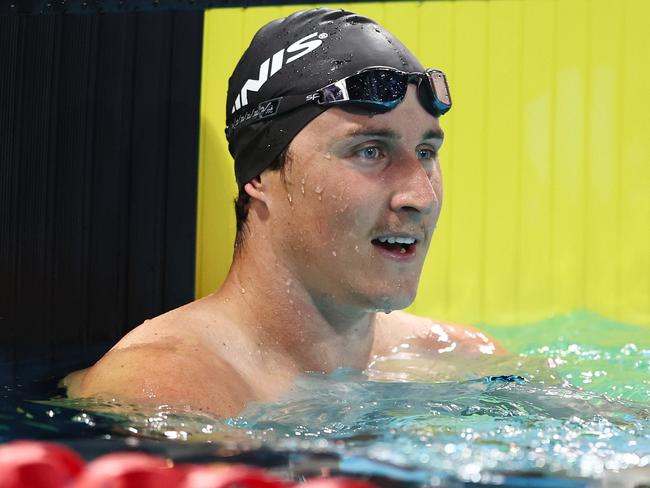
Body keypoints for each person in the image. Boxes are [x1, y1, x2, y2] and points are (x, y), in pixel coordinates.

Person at [64, 8, 506, 417]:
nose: (420, 196)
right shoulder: (163, 389)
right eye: (370, 151)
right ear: (260, 175)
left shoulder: (459, 359)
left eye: (426, 151)